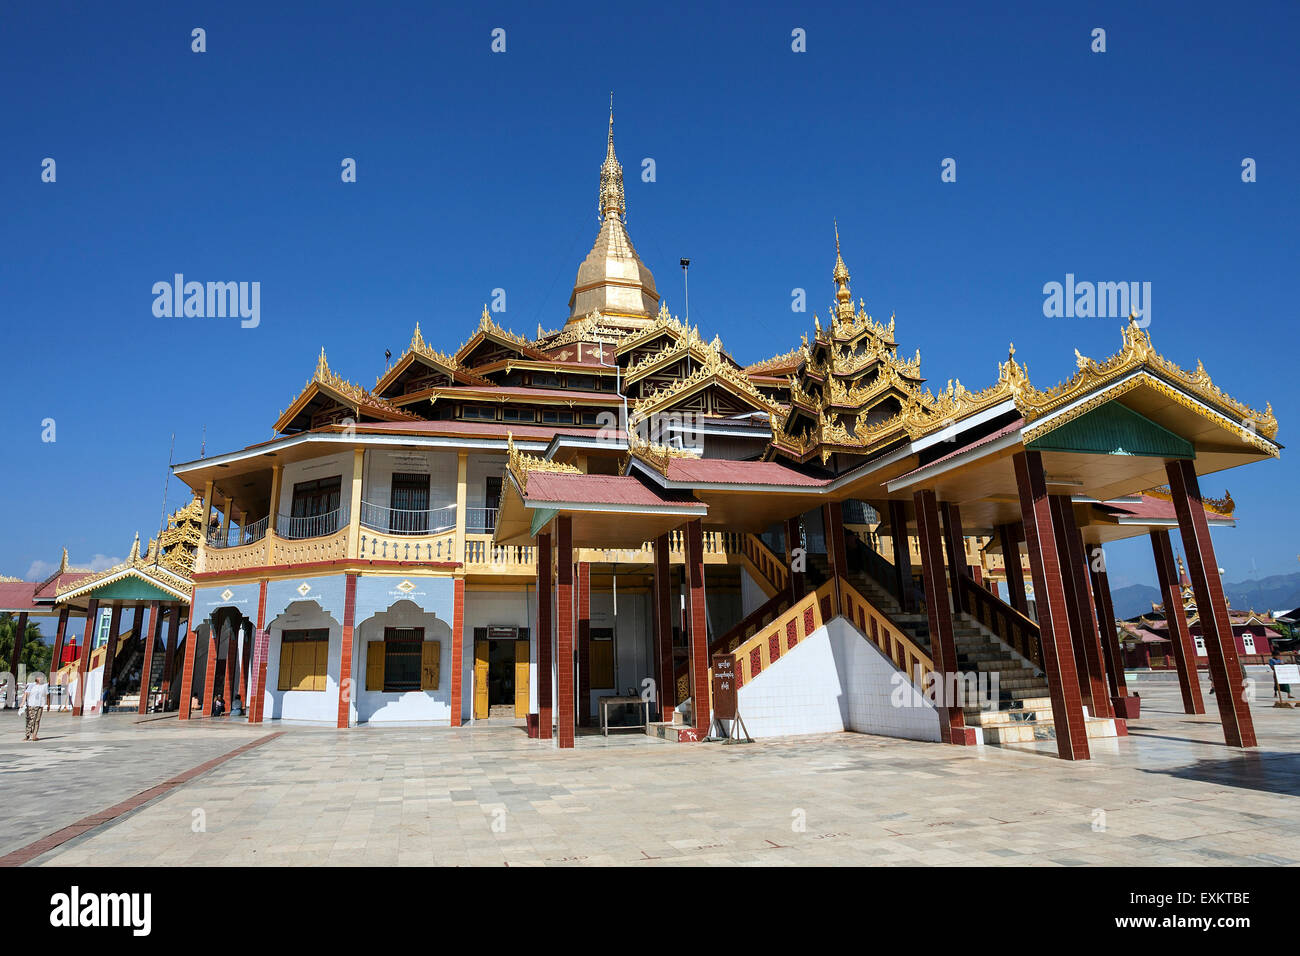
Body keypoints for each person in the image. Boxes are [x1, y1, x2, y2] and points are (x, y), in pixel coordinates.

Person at [23, 675, 48, 741]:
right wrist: (22, 703)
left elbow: (46, 695)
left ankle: (34, 736)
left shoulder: (44, 686)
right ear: (36, 679)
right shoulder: (31, 685)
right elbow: (26, 694)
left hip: (40, 705)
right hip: (31, 705)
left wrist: (48, 705)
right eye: (40, 678)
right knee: (30, 720)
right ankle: (27, 735)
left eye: (42, 678)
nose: (42, 679)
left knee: (37, 720)